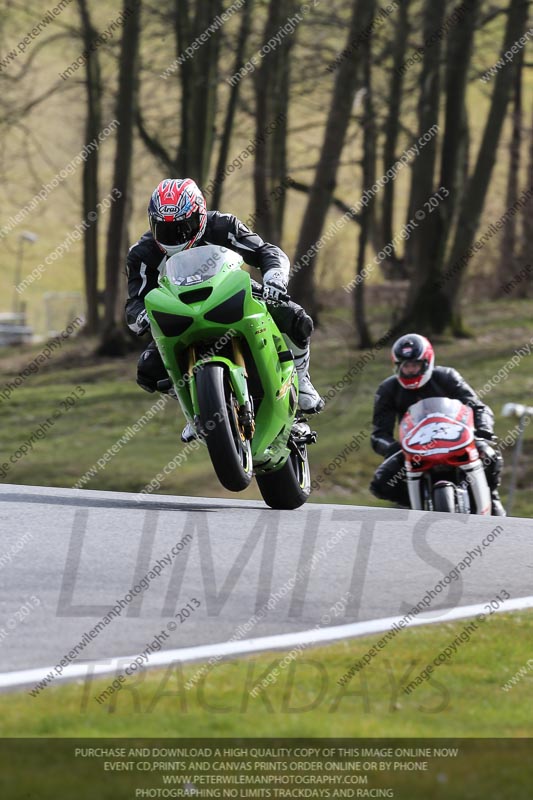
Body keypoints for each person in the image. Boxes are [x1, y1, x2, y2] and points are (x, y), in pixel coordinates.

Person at [125, 178, 324, 442]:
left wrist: (274, 279)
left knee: (296, 318)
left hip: (231, 296)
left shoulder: (223, 226)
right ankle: (197, 410)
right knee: (148, 369)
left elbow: (266, 252)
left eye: (183, 227)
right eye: (165, 229)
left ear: (199, 215)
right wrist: (141, 318)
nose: (175, 236)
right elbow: (134, 301)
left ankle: (302, 378)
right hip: (180, 314)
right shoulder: (142, 254)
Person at [369, 333, 505, 516]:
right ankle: (412, 504)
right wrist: (394, 448)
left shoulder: (447, 376)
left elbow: (478, 407)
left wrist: (483, 430)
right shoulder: (388, 389)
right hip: (414, 448)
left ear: (427, 362)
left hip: (456, 439)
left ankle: (491, 498)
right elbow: (378, 434)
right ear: (397, 366)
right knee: (381, 482)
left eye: (414, 365)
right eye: (405, 366)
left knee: (491, 458)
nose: (410, 370)